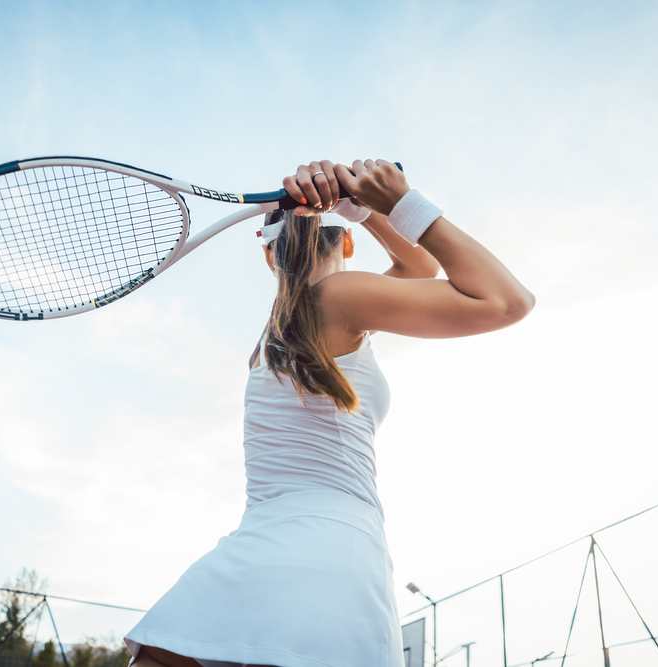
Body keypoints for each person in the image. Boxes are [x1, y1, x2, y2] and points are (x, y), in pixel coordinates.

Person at [124, 159, 536, 667]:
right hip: (332, 554)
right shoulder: (338, 298)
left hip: (253, 552)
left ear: (269, 258)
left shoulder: (273, 338)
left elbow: (416, 272)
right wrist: (394, 206)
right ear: (347, 246)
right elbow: (505, 301)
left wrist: (352, 206)